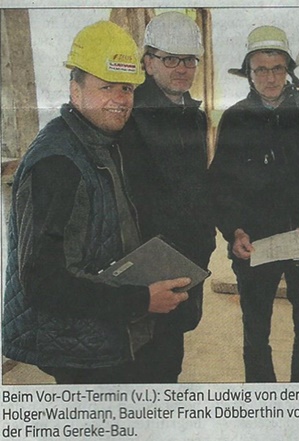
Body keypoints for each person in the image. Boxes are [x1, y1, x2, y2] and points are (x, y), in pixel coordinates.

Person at [1, 21, 190, 384]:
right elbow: (42, 280)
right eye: (106, 87)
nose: (120, 100)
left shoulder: (100, 143)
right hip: (79, 350)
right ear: (75, 91)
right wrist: (141, 301)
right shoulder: (58, 162)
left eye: (126, 88)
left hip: (105, 334)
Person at [208, 25, 299, 382]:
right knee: (256, 331)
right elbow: (220, 184)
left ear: (288, 70)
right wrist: (234, 231)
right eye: (261, 70)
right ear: (249, 73)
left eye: (277, 68)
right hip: (255, 240)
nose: (270, 77)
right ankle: (262, 396)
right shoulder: (236, 117)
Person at [120, 12, 216, 383]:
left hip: (184, 264)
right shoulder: (130, 116)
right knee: (139, 375)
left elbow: (196, 188)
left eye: (189, 60)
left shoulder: (194, 117)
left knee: (168, 368)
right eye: (170, 59)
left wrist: (204, 243)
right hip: (145, 272)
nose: (182, 69)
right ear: (148, 62)